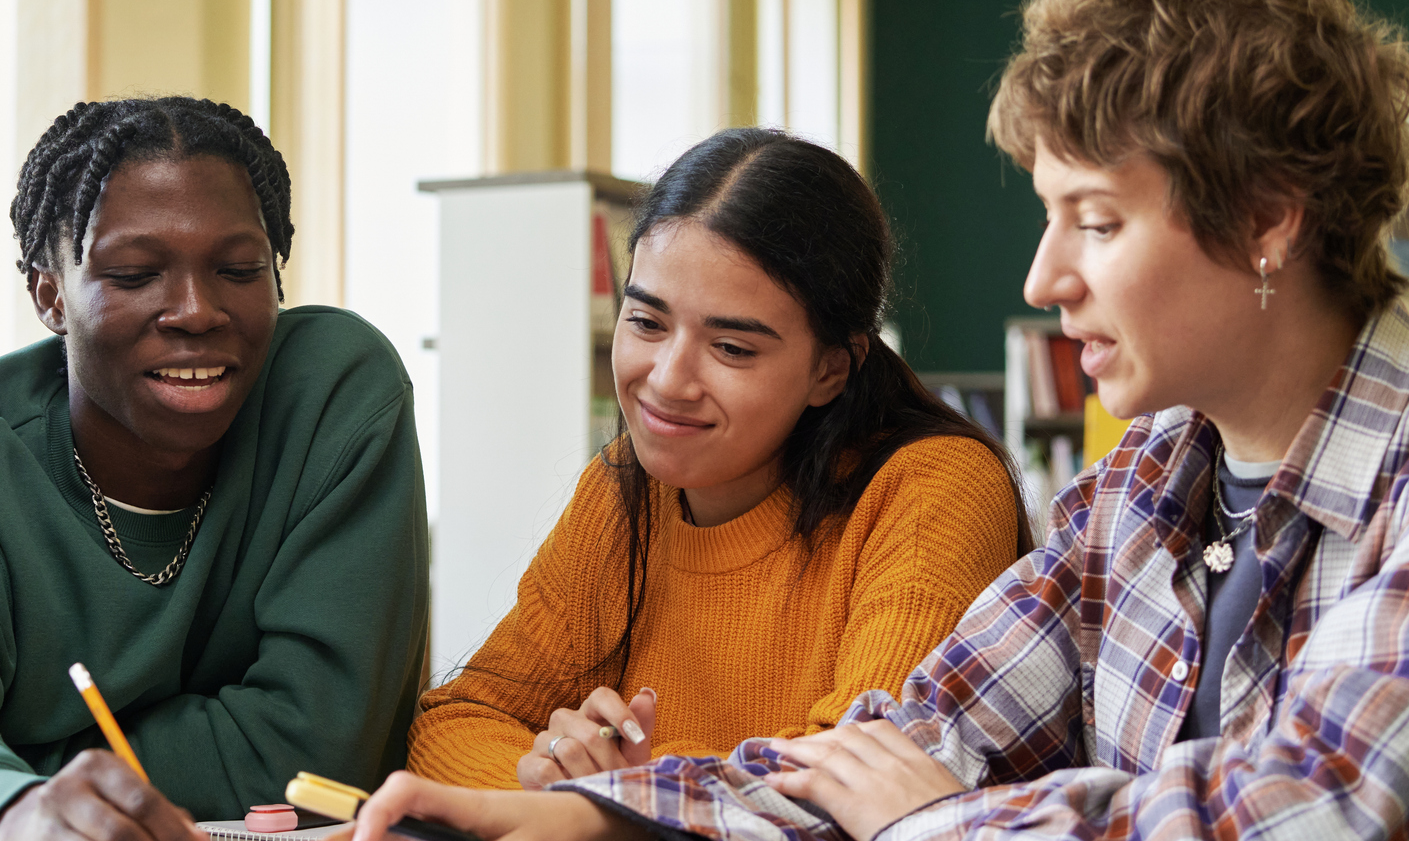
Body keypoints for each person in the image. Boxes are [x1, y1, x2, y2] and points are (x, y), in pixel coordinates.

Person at [290, 0, 1409, 841]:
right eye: (1047, 214)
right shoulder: (1140, 487)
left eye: (1099, 221)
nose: (1043, 277)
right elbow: (903, 746)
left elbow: (1291, 831)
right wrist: (602, 823)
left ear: (1268, 218)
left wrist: (941, 825)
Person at [0, 96, 427, 841]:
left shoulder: (335, 397)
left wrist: (16, 751)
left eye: (238, 271)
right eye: (134, 275)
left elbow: (316, 749)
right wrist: (16, 816)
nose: (196, 311)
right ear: (49, 294)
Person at [411, 130, 1029, 792]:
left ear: (829, 370)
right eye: (646, 323)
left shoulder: (932, 488)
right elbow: (457, 722)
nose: (667, 380)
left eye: (731, 347)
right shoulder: (625, 490)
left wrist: (637, 797)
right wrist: (565, 788)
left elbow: (865, 774)